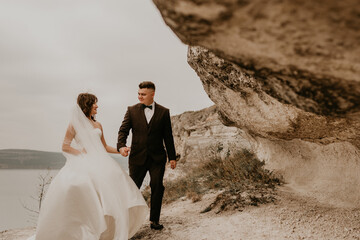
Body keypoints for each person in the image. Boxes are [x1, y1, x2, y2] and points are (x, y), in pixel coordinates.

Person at [28, 93, 148, 240]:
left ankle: (108, 230)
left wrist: (121, 149)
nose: (97, 106)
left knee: (114, 183)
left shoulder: (98, 125)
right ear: (87, 105)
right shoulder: (74, 124)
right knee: (84, 188)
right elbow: (65, 146)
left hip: (102, 161)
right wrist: (80, 152)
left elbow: (104, 146)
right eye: (94, 103)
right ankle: (86, 228)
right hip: (84, 161)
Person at [117, 81, 177, 230]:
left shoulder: (164, 112)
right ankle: (127, 221)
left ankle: (154, 221)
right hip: (137, 157)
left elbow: (168, 136)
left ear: (152, 94)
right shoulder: (131, 110)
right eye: (138, 93)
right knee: (133, 188)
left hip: (157, 158)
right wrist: (121, 146)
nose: (139, 96)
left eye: (143, 94)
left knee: (157, 186)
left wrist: (172, 157)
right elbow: (123, 130)